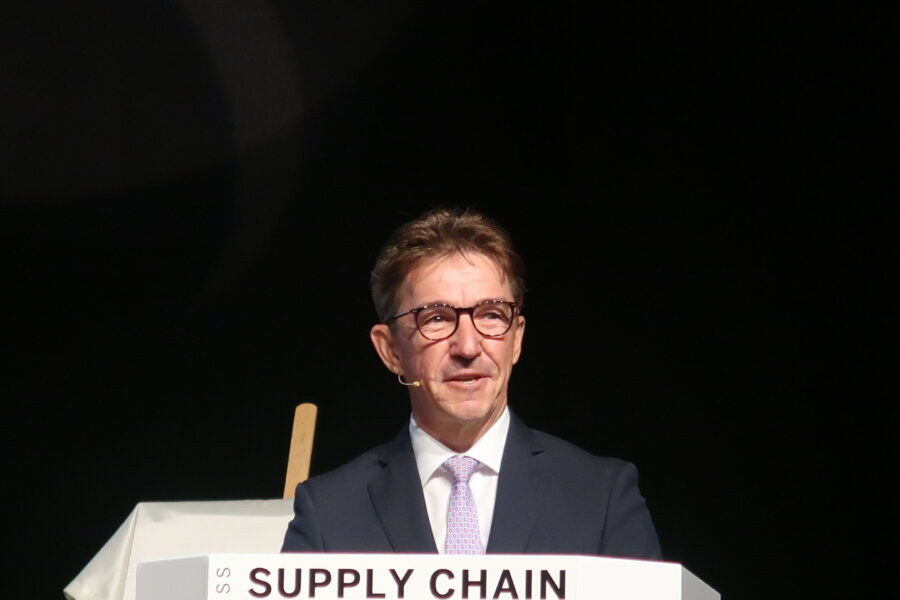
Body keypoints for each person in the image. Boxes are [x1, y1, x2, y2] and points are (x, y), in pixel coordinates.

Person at [282, 208, 661, 558]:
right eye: (436, 319)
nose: (467, 346)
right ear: (390, 349)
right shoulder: (329, 513)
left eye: (492, 315)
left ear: (516, 339)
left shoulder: (601, 497)